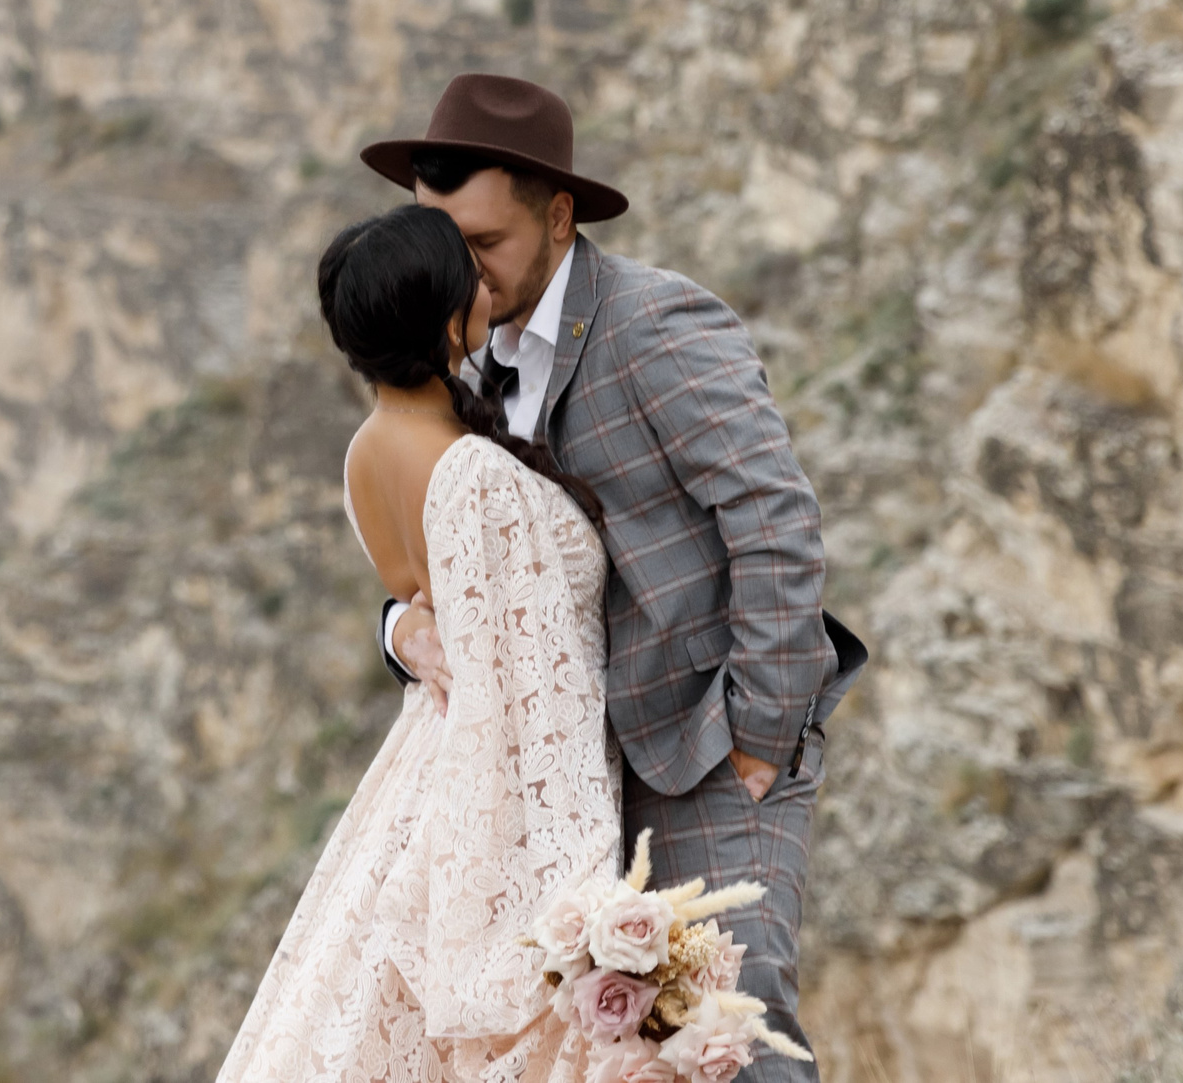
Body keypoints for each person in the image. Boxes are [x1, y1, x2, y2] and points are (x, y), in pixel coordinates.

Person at [360, 73, 868, 1081]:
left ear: (557, 216)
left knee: (732, 1031)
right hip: (570, 793)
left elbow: (775, 523)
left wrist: (758, 742)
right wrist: (397, 631)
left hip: (708, 752)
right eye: (440, 246)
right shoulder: (462, 367)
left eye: (483, 245)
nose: (460, 274)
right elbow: (448, 568)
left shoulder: (657, 326)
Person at [218, 206, 626, 1083]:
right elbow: (534, 689)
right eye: (466, 278)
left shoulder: (364, 453)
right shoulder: (473, 472)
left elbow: (422, 605)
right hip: (489, 776)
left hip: (424, 761)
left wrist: (402, 627)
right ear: (444, 320)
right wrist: (584, 898)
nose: (487, 286)